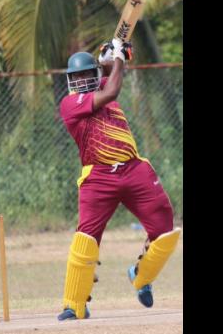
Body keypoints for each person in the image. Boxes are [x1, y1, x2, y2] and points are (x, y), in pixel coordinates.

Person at [57, 40, 181, 321]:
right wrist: (118, 58)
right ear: (70, 80)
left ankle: (141, 276)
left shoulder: (101, 86)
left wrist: (113, 56)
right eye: (76, 77)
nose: (82, 81)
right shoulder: (71, 104)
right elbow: (114, 85)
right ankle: (74, 304)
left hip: (134, 168)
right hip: (98, 176)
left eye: (87, 75)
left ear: (94, 75)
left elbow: (113, 73)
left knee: (165, 230)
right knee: (85, 238)